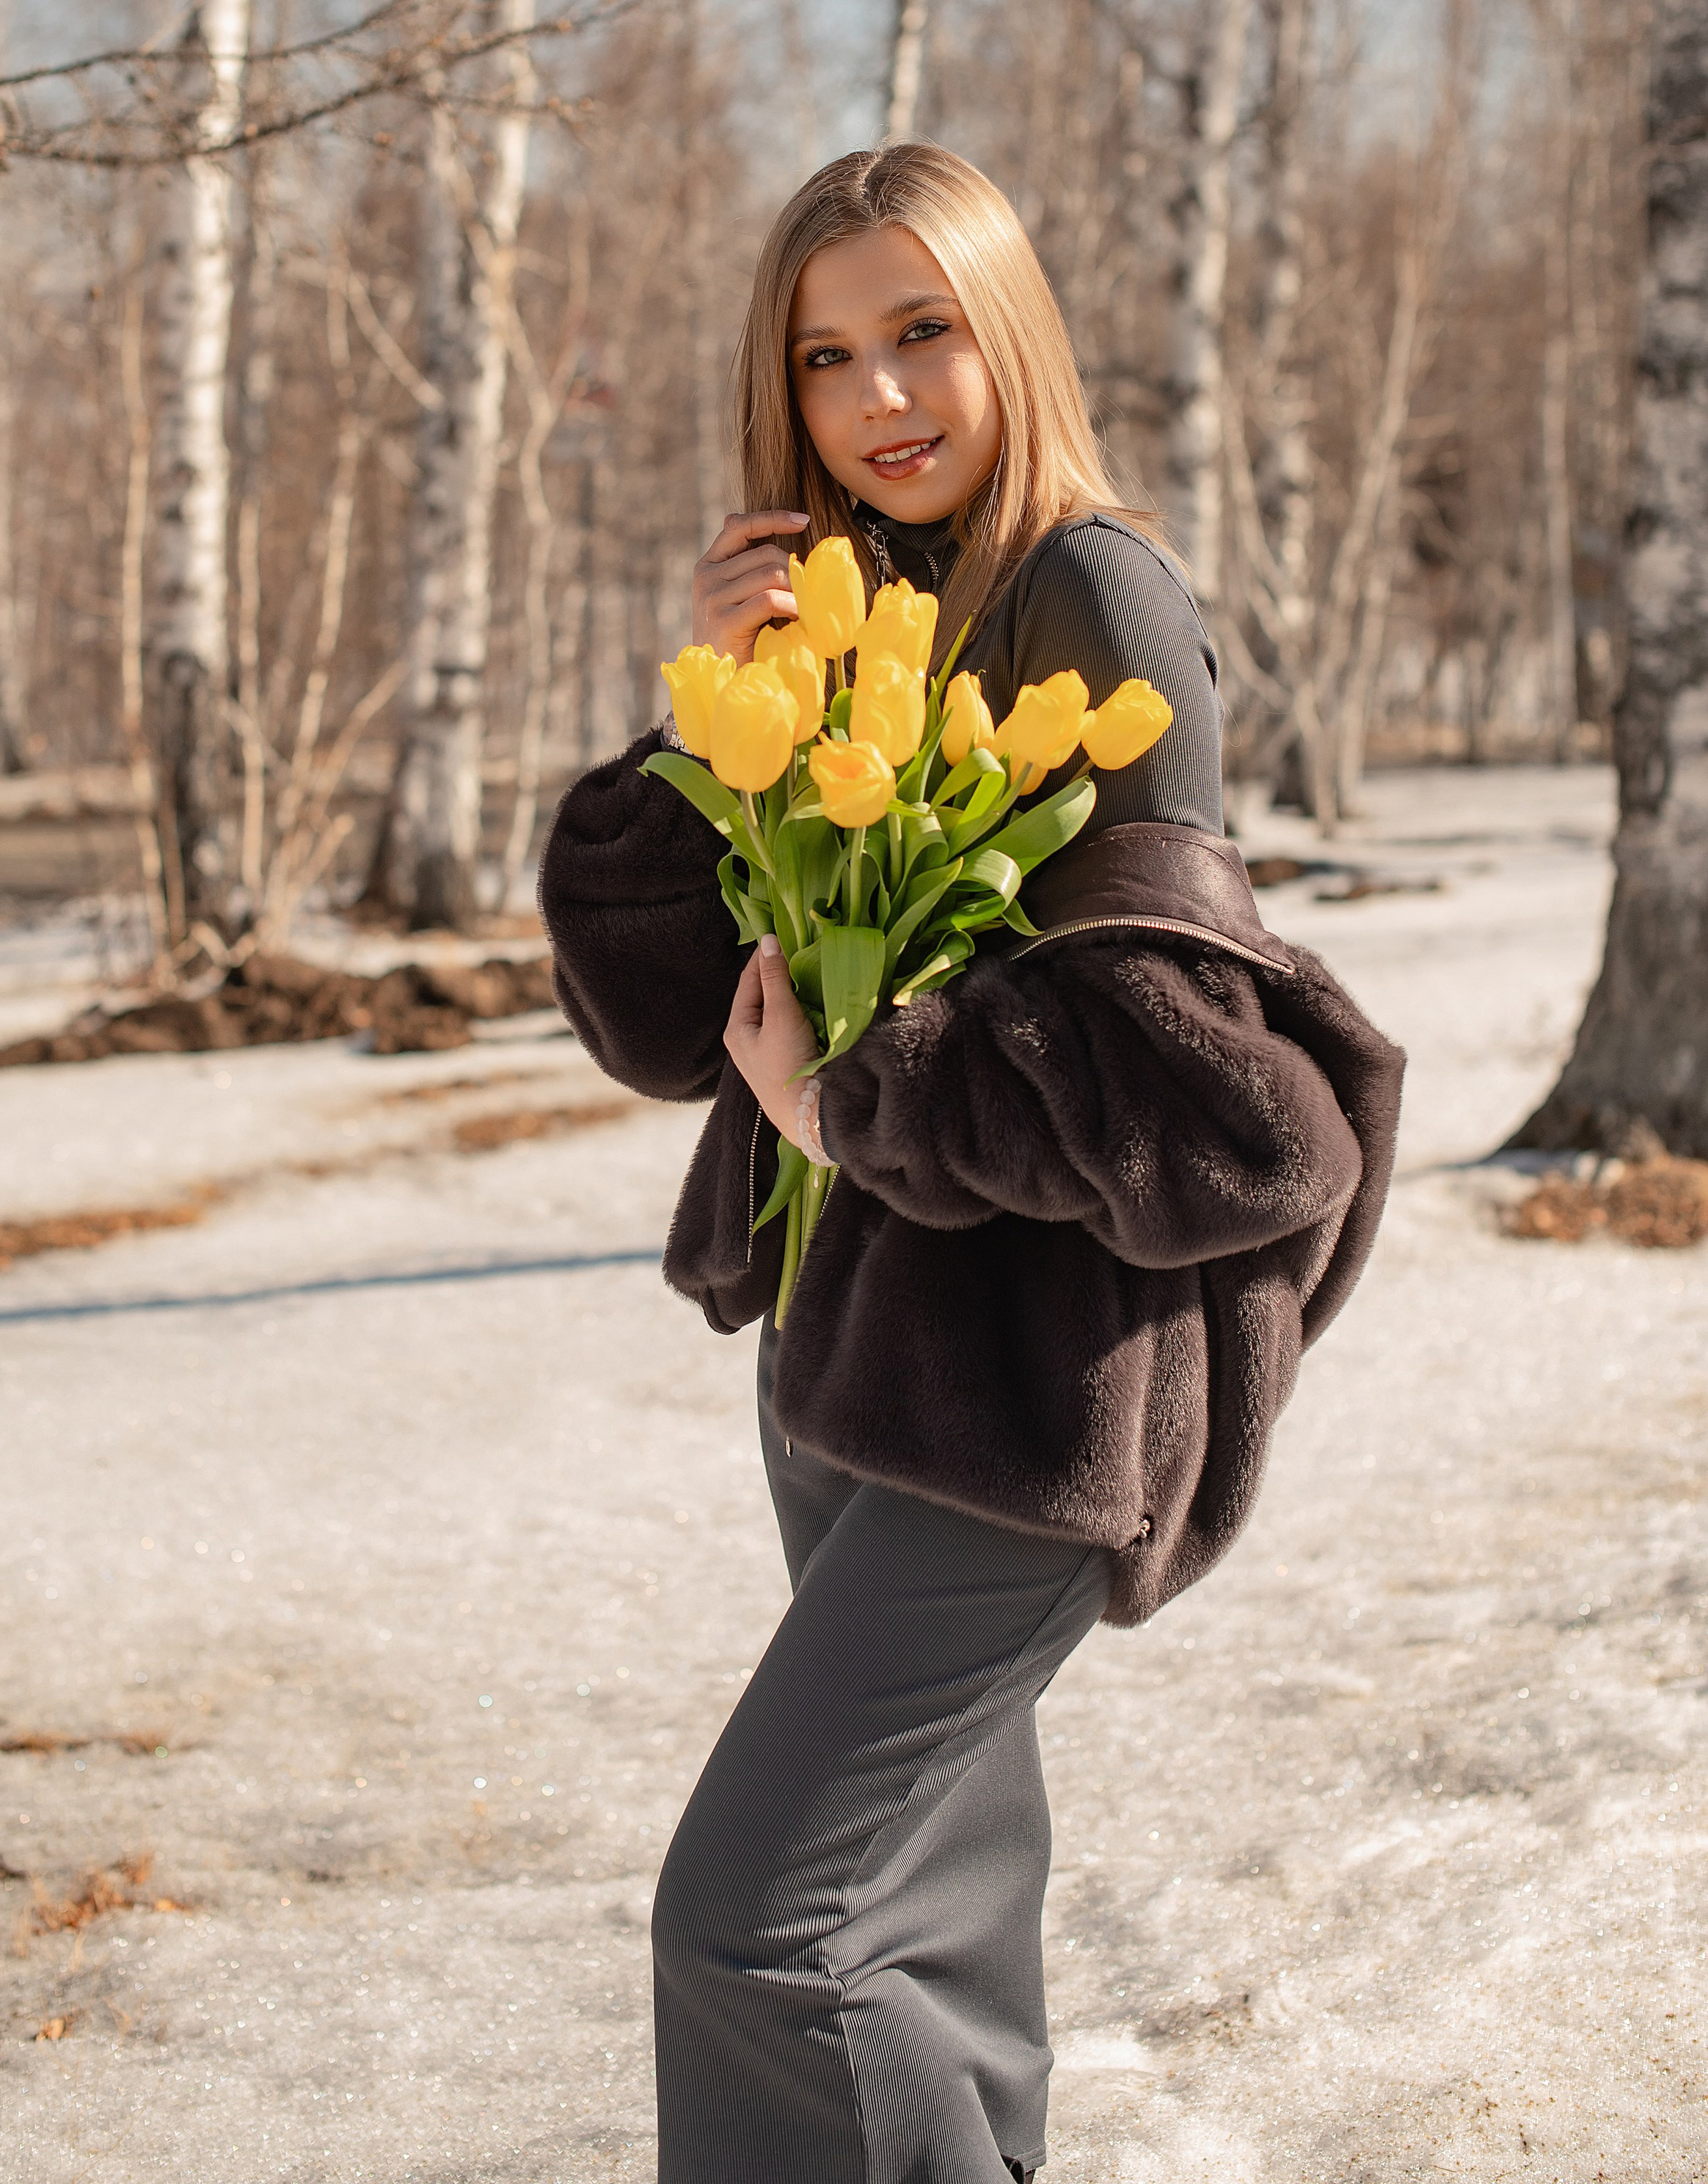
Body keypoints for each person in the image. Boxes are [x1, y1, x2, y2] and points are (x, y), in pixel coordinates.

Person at [539, 142, 1404, 2183]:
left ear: (1008, 328)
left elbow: (1222, 1104)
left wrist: (871, 1106)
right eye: (829, 355)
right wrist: (714, 708)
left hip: (1030, 1392)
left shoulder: (1087, 593)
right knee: (921, 1931)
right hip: (852, 1370)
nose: (882, 400)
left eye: (925, 332)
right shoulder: (857, 608)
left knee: (763, 1931)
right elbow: (669, 1023)